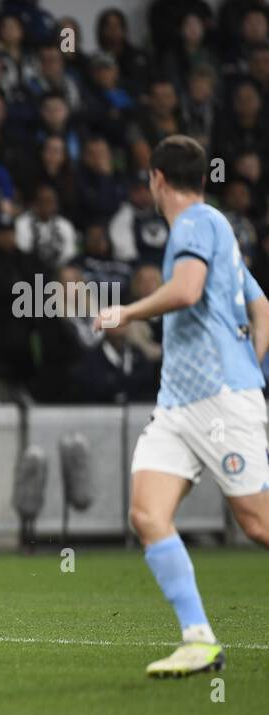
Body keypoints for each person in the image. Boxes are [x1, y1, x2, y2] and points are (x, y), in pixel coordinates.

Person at [91, 136, 269, 678]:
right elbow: (263, 307)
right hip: (179, 404)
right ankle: (198, 640)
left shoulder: (195, 224)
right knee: (147, 514)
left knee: (259, 525)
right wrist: (251, 368)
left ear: (157, 179)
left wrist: (128, 312)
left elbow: (187, 292)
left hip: (217, 399)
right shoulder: (219, 231)